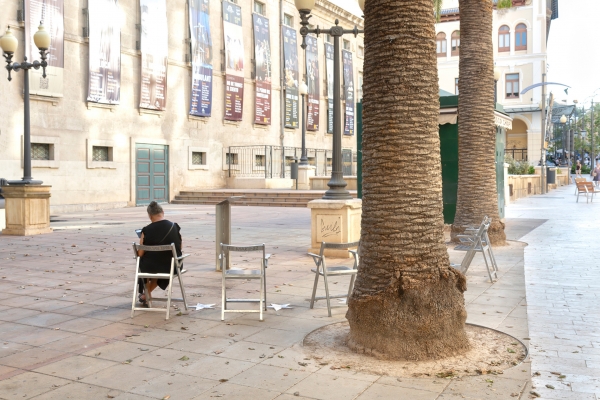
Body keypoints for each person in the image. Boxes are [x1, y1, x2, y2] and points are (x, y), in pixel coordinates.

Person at [137, 201, 182, 306]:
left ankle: (146, 294)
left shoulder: (146, 230)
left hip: (149, 267)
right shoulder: (174, 227)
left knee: (146, 264)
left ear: (150, 216)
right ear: (162, 212)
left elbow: (140, 254)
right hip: (171, 266)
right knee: (162, 264)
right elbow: (179, 248)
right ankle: (146, 294)